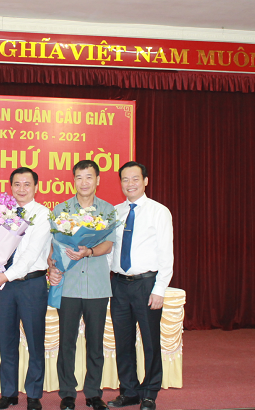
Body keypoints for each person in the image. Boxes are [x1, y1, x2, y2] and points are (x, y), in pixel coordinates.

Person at [48, 160, 115, 410]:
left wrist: (89, 251)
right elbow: (53, 247)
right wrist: (53, 266)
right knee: (67, 342)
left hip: (97, 286)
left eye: (89, 177)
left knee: (95, 343)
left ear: (97, 180)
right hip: (69, 285)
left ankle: (93, 393)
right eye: (79, 177)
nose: (84, 182)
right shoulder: (61, 210)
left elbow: (108, 244)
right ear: (73, 180)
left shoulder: (107, 210)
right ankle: (67, 393)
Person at [107, 161, 173, 410]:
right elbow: (109, 252)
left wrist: (159, 289)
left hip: (146, 284)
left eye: (135, 179)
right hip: (119, 285)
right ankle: (129, 391)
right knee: (123, 342)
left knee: (150, 342)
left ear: (145, 181)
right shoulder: (115, 212)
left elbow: (166, 254)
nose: (130, 183)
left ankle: (150, 393)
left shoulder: (159, 211)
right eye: (125, 179)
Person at [0, 167, 51, 410]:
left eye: (27, 184)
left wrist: (5, 276)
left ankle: (34, 394)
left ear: (36, 187)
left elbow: (30, 255)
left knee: (35, 340)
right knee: (7, 340)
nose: (22, 189)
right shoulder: (1, 213)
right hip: (6, 286)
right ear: (11, 187)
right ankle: (8, 393)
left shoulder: (43, 214)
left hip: (31, 284)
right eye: (17, 184)